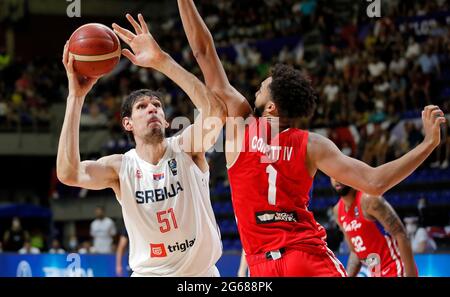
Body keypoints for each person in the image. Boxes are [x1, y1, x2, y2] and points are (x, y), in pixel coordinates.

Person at [177, 0, 446, 276]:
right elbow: (375, 182)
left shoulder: (241, 126)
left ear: (272, 107)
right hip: (305, 258)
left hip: (261, 266)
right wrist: (428, 144)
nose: (259, 85)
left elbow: (203, 51)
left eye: (264, 87)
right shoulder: (313, 145)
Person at [56, 14, 226, 276]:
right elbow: (69, 173)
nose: (152, 110)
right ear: (128, 124)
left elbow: (215, 111)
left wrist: (162, 62)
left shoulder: (186, 147)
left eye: (157, 106)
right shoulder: (120, 167)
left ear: (167, 120)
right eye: (142, 107)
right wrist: (75, 97)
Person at [330, 178, 417, 277]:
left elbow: (401, 234)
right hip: (376, 273)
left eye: (340, 173)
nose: (336, 179)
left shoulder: (369, 199)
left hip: (396, 269)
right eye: (332, 175)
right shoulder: (337, 211)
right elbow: (355, 251)